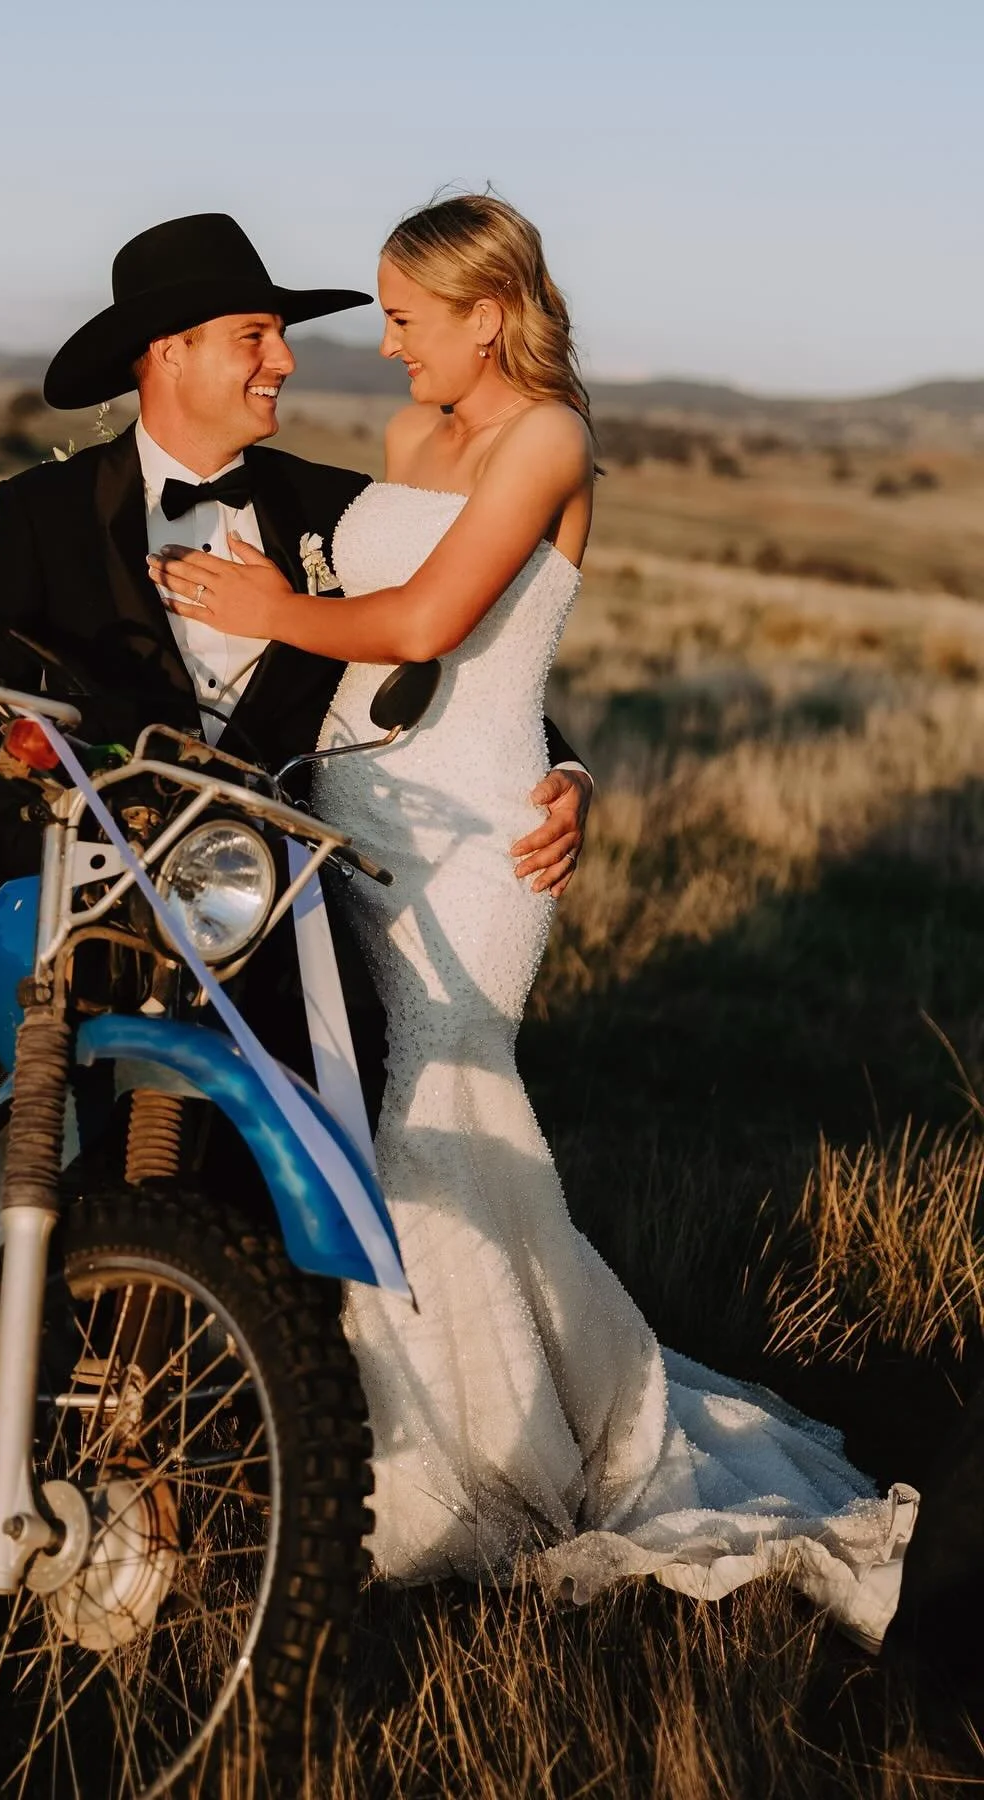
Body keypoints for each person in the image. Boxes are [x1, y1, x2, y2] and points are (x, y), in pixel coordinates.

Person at [0, 211, 594, 1560]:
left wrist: (568, 769)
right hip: (51, 892)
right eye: (256, 338)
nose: (285, 366)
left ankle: (197, 1481)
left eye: (281, 338)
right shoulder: (40, 514)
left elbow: (456, 667)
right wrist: (76, 829)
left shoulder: (327, 509)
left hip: (246, 921)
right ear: (170, 353)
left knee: (262, 1186)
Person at [150, 192, 917, 1650]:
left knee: (440, 1110)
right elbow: (387, 659)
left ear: (488, 314)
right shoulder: (406, 440)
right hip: (359, 821)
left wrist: (260, 604)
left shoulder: (550, 436)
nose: (383, 350)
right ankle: (392, 1407)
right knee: (372, 1119)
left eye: (405, 318)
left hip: (480, 852)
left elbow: (434, 625)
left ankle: (476, 1460)